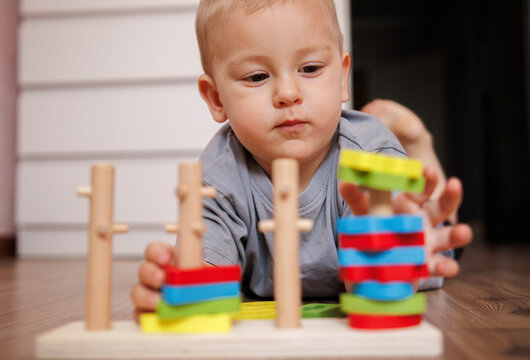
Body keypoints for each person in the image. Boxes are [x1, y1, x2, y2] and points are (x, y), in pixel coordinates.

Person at [131, 0, 472, 320]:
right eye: (257, 77)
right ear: (216, 98)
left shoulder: (368, 155)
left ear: (342, 77)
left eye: (309, 68)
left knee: (444, 226)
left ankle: (417, 140)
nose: (287, 94)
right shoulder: (216, 178)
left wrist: (387, 257)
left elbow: (376, 292)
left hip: (423, 242)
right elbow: (205, 277)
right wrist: (179, 291)